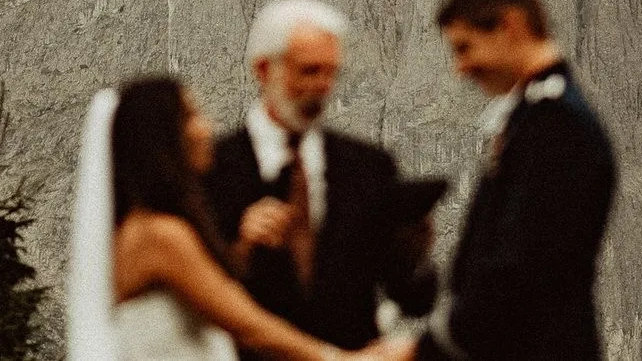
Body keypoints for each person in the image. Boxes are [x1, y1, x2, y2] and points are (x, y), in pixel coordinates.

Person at [67, 76, 405, 361]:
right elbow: (248, 326)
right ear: (161, 138)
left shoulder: (146, 230)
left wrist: (243, 246)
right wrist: (344, 359)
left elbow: (207, 294)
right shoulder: (160, 235)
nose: (206, 128)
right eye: (191, 116)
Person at [399, 0, 616, 361]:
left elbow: (521, 275)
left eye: (465, 47)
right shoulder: (536, 119)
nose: (459, 67)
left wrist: (423, 350)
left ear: (510, 26)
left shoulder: (558, 128)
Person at [204, 0, 437, 361]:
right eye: (309, 72)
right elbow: (191, 294)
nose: (322, 87)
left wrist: (415, 253)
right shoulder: (212, 169)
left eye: (331, 73)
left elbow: (415, 300)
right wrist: (239, 246)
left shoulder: (369, 167)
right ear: (264, 70)